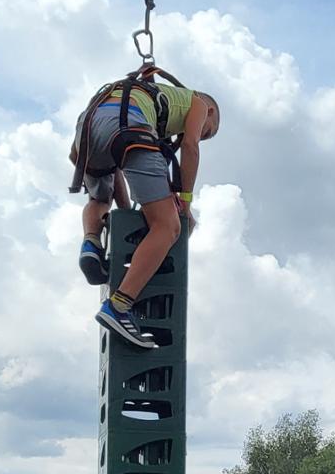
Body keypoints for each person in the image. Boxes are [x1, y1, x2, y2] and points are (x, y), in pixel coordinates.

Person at [70, 67, 222, 347]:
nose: (201, 134)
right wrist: (185, 203)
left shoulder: (141, 96)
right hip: (129, 129)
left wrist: (126, 214)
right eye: (207, 133)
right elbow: (189, 147)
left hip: (88, 130)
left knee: (98, 200)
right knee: (168, 227)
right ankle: (119, 306)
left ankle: (91, 242)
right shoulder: (199, 104)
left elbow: (118, 166)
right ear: (210, 114)